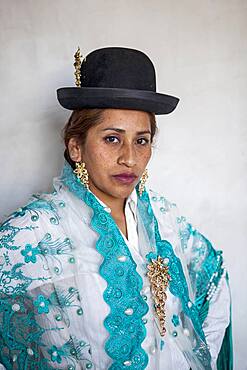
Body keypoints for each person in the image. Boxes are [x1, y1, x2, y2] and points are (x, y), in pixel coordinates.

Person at [0, 47, 232, 370]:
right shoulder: (38, 232)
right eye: (112, 139)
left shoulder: (164, 221)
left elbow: (214, 282)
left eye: (141, 140)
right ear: (76, 146)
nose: (129, 158)